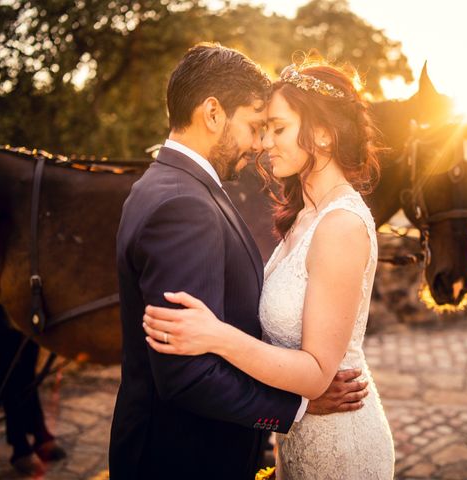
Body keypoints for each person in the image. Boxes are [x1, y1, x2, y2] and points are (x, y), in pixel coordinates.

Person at [109, 43, 368, 480]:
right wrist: (294, 408)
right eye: (255, 126)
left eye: (273, 129)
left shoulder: (169, 185)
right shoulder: (182, 203)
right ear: (212, 114)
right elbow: (185, 375)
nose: (260, 144)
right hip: (183, 459)